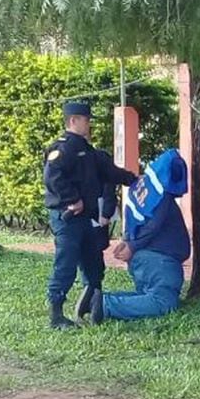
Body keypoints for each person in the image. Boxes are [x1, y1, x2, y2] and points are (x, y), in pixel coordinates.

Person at [43, 101, 137, 330]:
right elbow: (52, 177)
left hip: (87, 219)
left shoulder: (90, 151)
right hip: (68, 218)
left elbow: (110, 172)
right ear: (73, 120)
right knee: (65, 264)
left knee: (94, 263)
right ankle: (56, 315)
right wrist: (72, 199)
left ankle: (91, 306)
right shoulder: (63, 149)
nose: (89, 123)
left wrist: (135, 180)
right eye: (86, 119)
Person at [84, 149, 190, 323]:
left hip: (148, 260)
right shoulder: (160, 197)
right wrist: (132, 246)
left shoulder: (144, 191)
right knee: (164, 301)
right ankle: (104, 305)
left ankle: (96, 301)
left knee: (147, 296)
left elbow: (136, 219)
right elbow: (153, 226)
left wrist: (128, 242)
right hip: (159, 260)